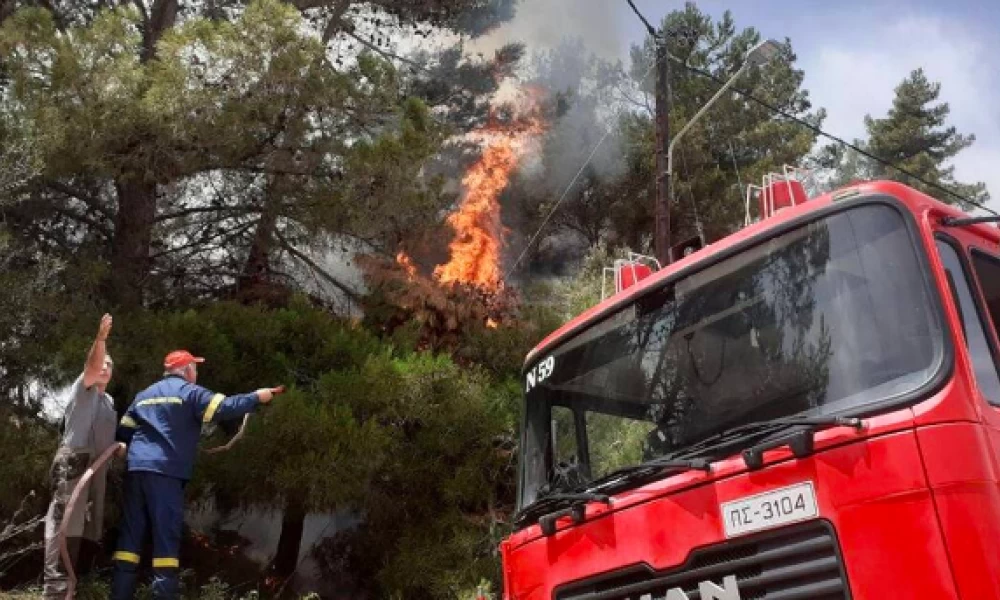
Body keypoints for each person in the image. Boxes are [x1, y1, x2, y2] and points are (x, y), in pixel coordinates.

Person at [111, 350, 284, 600]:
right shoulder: (190, 392)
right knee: (165, 541)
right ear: (187, 369)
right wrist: (258, 396)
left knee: (129, 540)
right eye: (195, 368)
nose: (197, 373)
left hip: (137, 470)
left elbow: (125, 432)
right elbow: (225, 407)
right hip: (166, 473)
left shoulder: (143, 395)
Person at [42, 314, 119, 600]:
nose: (105, 368)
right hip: (76, 466)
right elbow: (93, 366)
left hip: (97, 471)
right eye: (102, 363)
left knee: (88, 532)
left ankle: (75, 589)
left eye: (110, 365)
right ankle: (57, 592)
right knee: (65, 529)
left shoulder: (108, 401)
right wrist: (100, 340)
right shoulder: (83, 388)